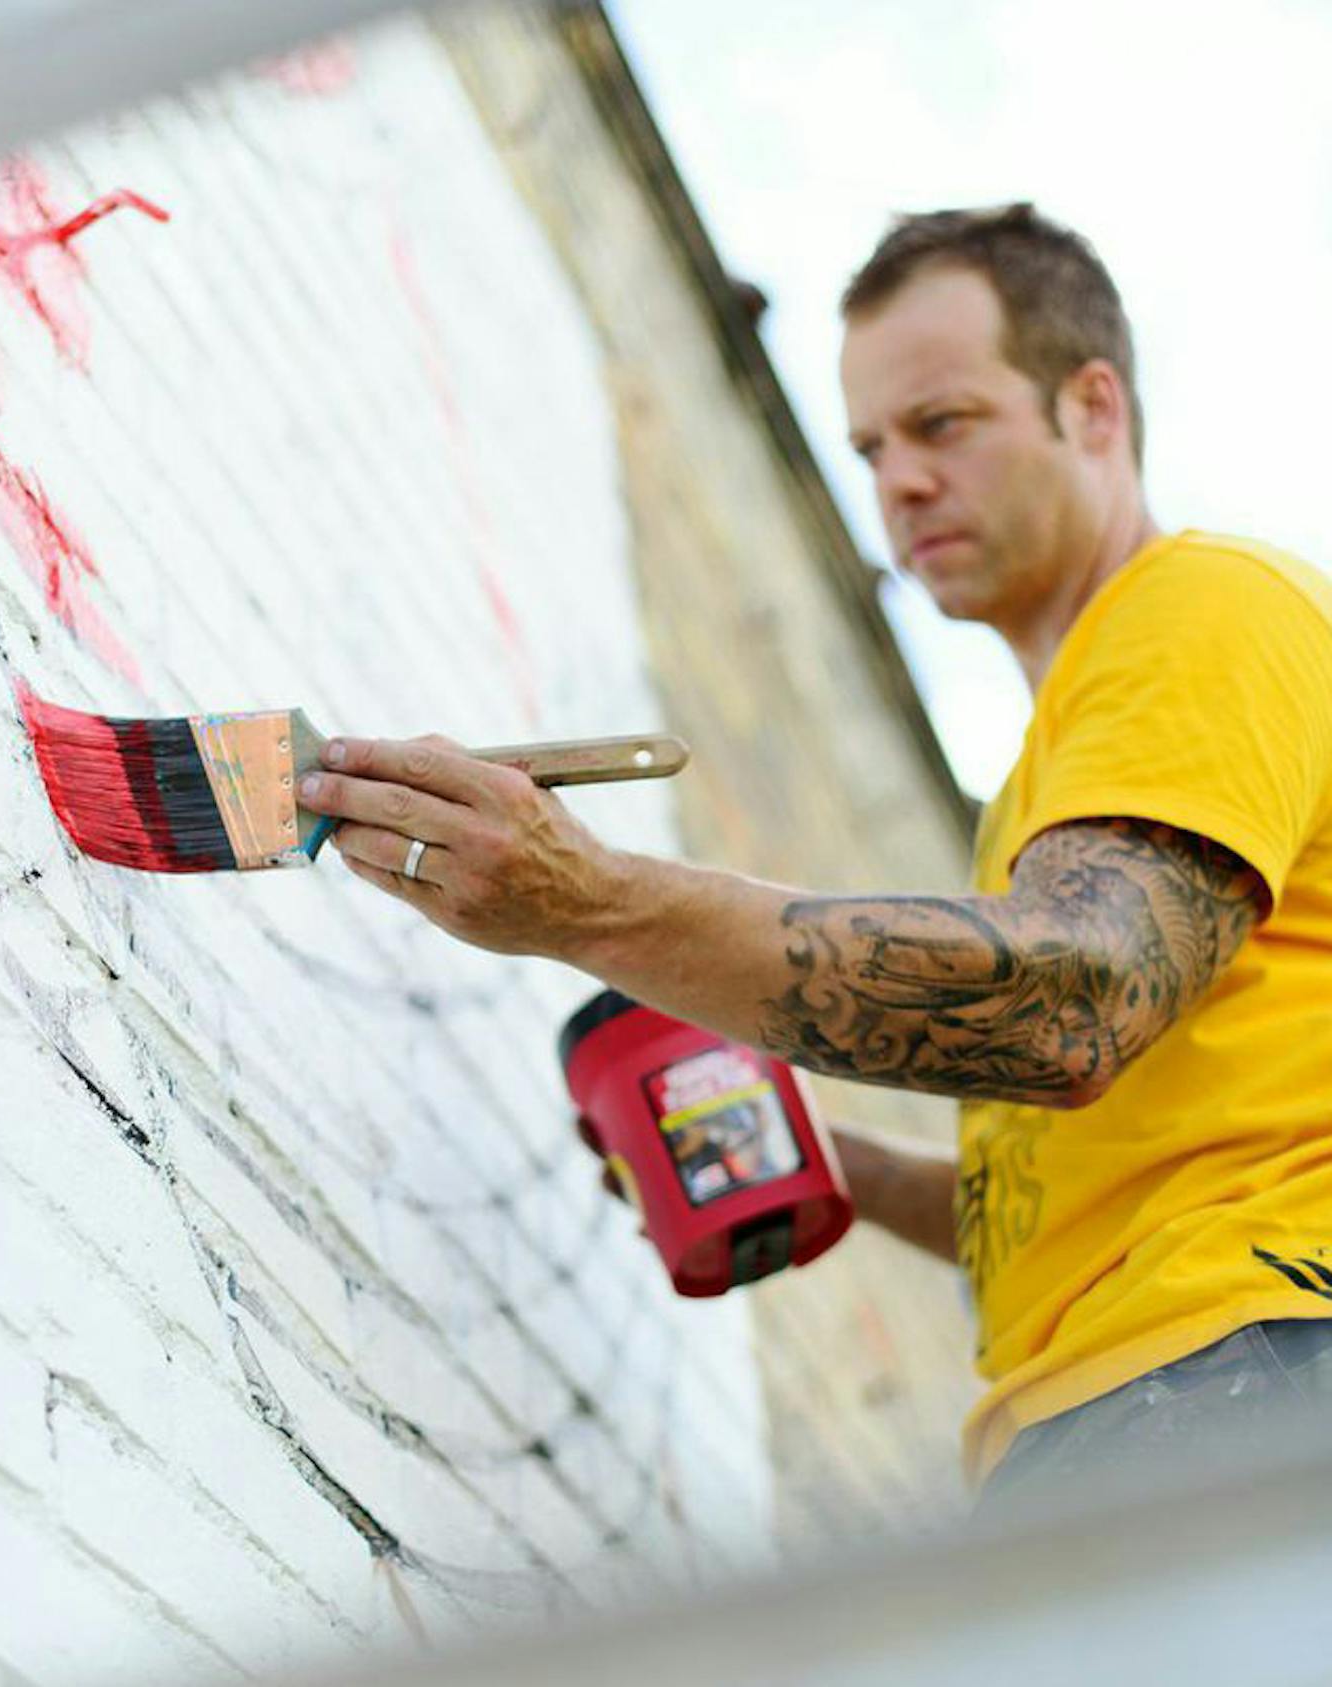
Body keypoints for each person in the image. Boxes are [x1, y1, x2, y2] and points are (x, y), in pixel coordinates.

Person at [298, 203, 1332, 1509]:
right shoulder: (1051, 776)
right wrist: (829, 1162)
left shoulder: (1205, 609)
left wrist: (592, 903)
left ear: (1094, 408)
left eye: (944, 424)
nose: (897, 481)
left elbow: (1072, 1005)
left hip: (1237, 1378)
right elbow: (1093, 1174)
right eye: (868, 447)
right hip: (1156, 1401)